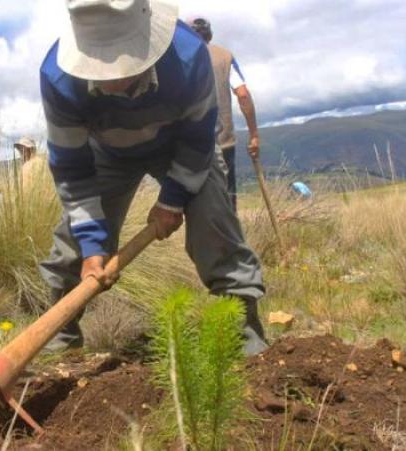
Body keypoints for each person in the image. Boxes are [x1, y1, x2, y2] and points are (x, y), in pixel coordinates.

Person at [39, 0, 267, 355]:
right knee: (72, 246)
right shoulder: (59, 78)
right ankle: (56, 344)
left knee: (215, 222)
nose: (112, 78)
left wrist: (172, 200)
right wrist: (92, 245)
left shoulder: (189, 56)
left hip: (181, 145)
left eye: (121, 64)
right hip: (107, 153)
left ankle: (245, 337)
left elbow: (198, 137)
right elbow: (72, 169)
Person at [190, 18, 260, 211]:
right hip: (223, 140)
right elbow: (243, 94)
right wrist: (253, 134)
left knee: (196, 202)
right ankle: (230, 238)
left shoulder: (180, 56)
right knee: (228, 200)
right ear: (209, 35)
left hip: (190, 143)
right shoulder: (224, 56)